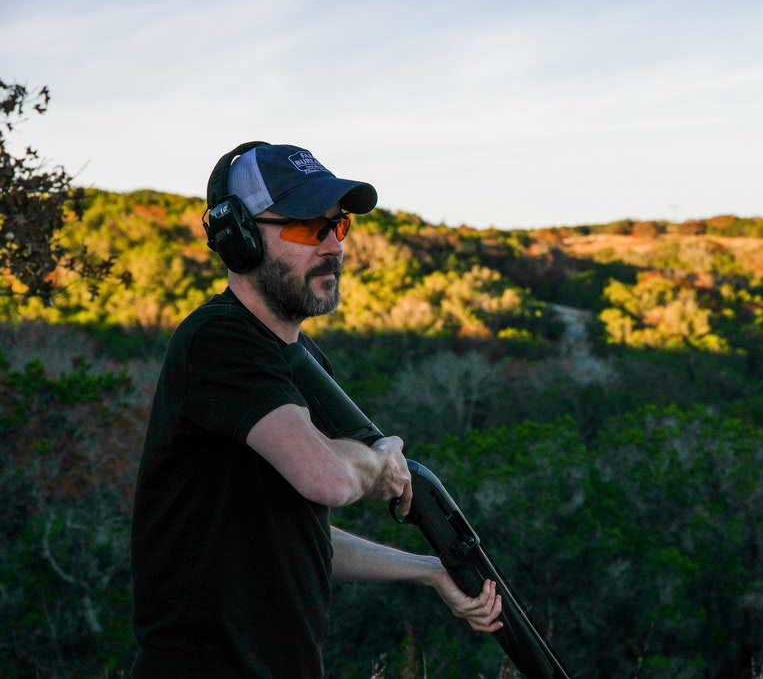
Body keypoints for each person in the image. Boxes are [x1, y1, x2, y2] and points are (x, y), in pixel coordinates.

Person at [129, 142, 502, 678]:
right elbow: (327, 480)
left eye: (339, 226)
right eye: (309, 228)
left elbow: (296, 536)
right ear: (239, 236)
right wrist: (383, 459)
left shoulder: (301, 361)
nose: (332, 246)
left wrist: (431, 570)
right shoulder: (219, 339)